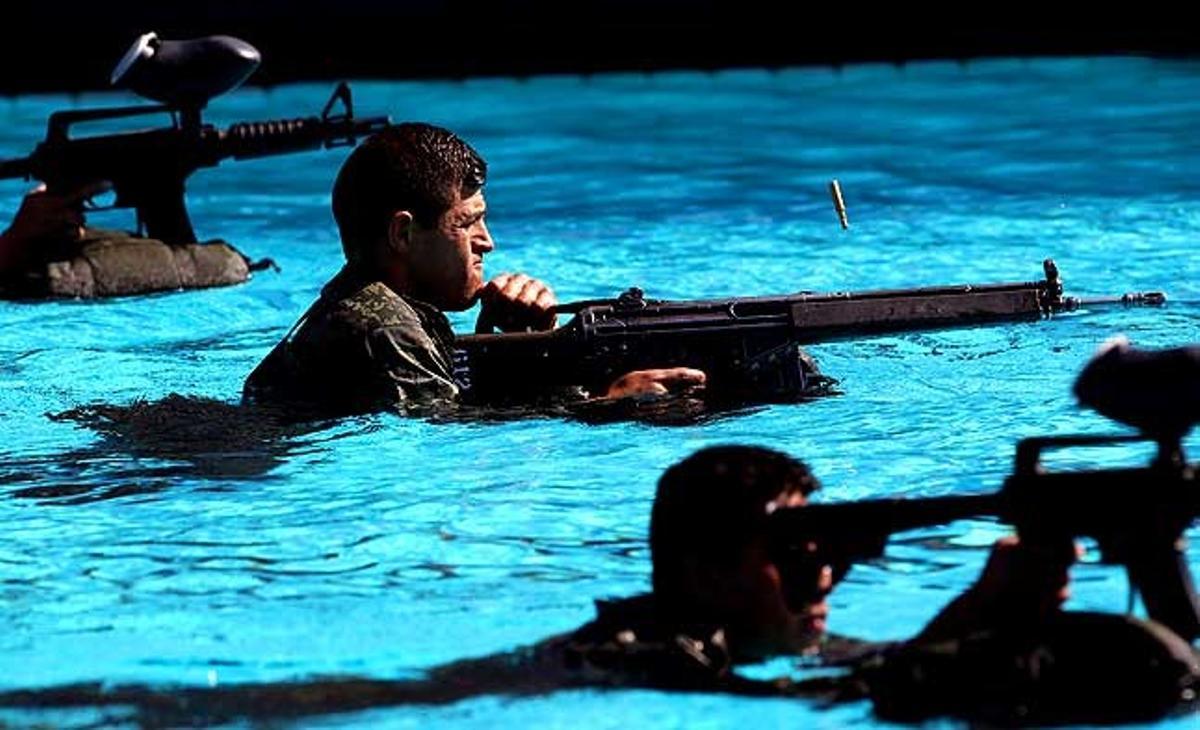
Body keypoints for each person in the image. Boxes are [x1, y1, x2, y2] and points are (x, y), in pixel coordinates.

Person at [8, 444, 1167, 729]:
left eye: (830, 552)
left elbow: (846, 666)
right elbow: (849, 691)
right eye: (795, 551)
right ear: (707, 572)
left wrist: (991, 600)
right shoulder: (653, 658)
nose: (822, 571)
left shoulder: (749, 628)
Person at [241, 122, 706, 416]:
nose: (488, 241)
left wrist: (528, 348)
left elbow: (452, 403)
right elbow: (440, 442)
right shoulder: (383, 328)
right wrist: (607, 404)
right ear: (402, 235)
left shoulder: (371, 304)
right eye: (467, 223)